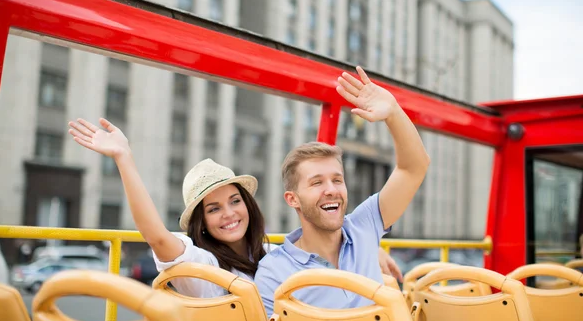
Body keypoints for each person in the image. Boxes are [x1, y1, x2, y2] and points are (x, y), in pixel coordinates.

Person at [67, 107, 401, 297]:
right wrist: (124, 158)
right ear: (201, 223)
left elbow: (320, 244)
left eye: (234, 201)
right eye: (213, 209)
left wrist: (369, 248)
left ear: (248, 206)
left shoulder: (268, 256)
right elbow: (156, 236)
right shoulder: (200, 265)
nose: (228, 214)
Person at [254, 66, 430, 316]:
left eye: (337, 180)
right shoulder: (274, 272)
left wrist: (393, 112)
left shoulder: (364, 226)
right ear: (292, 199)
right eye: (317, 183)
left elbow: (414, 168)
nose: (331, 190)